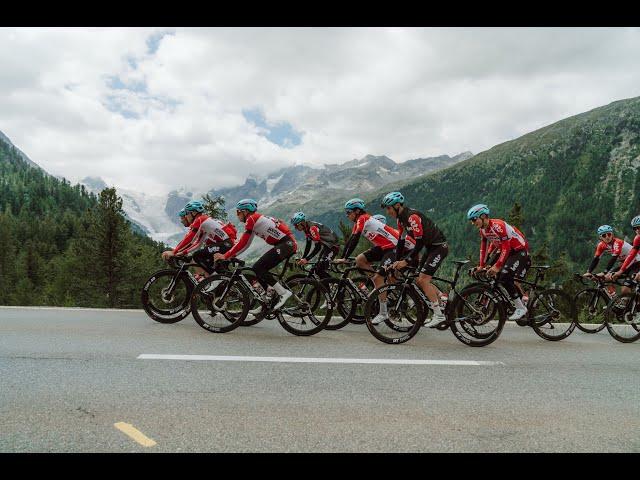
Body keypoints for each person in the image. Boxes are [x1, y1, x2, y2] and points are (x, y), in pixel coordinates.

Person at [334, 198, 416, 325]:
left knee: (379, 277)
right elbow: (350, 240)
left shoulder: (363, 218)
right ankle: (380, 286)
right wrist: (344, 256)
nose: (347, 215)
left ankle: (383, 312)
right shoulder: (358, 222)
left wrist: (344, 258)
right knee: (360, 260)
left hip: (393, 247)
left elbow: (355, 239)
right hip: (384, 248)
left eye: (349, 212)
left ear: (357, 211)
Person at [214, 199, 297, 311]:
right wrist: (231, 255)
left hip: (286, 244)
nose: (237, 215)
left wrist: (225, 256)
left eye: (238, 212)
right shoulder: (255, 219)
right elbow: (246, 244)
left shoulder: (251, 219)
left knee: (258, 267)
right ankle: (267, 303)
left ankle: (283, 292)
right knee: (260, 271)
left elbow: (243, 242)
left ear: (245, 211)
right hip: (286, 244)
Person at [381, 191, 449, 327]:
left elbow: (419, 243)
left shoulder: (412, 217)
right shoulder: (400, 219)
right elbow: (400, 242)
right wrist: (396, 261)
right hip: (430, 248)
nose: (388, 212)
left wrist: (406, 261)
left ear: (398, 205)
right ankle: (442, 297)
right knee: (419, 278)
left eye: (389, 208)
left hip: (439, 247)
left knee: (423, 280)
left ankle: (439, 315)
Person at [468, 203, 531, 323]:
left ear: (483, 216)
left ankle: (520, 307)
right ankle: (516, 298)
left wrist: (497, 266)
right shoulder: (483, 230)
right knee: (489, 270)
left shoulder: (498, 226)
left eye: (474, 219)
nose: (472, 223)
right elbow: (483, 247)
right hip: (505, 250)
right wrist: (482, 265)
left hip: (519, 251)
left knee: (505, 276)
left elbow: (506, 248)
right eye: (471, 220)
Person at [162, 200, 235, 279]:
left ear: (193, 213)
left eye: (187, 214)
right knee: (211, 265)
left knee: (197, 255)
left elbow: (190, 239)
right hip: (225, 244)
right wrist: (183, 252)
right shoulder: (202, 222)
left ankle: (213, 279)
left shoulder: (200, 219)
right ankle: (221, 282)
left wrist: (174, 252)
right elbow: (198, 244)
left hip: (226, 243)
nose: (186, 216)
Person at [584, 224, 640, 296]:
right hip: (625, 264)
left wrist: (604, 272)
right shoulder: (601, 245)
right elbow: (596, 258)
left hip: (636, 263)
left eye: (609, 234)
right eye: (604, 235)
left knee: (625, 290)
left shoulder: (617, 242)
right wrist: (589, 271)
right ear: (600, 237)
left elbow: (614, 259)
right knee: (604, 278)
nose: (607, 237)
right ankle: (614, 300)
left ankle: (635, 303)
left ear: (612, 234)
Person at [290, 211, 340, 280]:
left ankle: (335, 284)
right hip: (327, 246)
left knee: (320, 269)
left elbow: (318, 247)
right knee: (317, 269)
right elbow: (308, 244)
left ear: (301, 223)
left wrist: (307, 259)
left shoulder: (312, 228)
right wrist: (303, 258)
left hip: (333, 247)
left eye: (296, 225)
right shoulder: (306, 228)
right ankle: (327, 286)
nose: (295, 228)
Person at [611, 215, 640, 285]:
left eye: (639, 227)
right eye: (635, 228)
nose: (637, 230)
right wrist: (620, 271)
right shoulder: (637, 239)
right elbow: (631, 255)